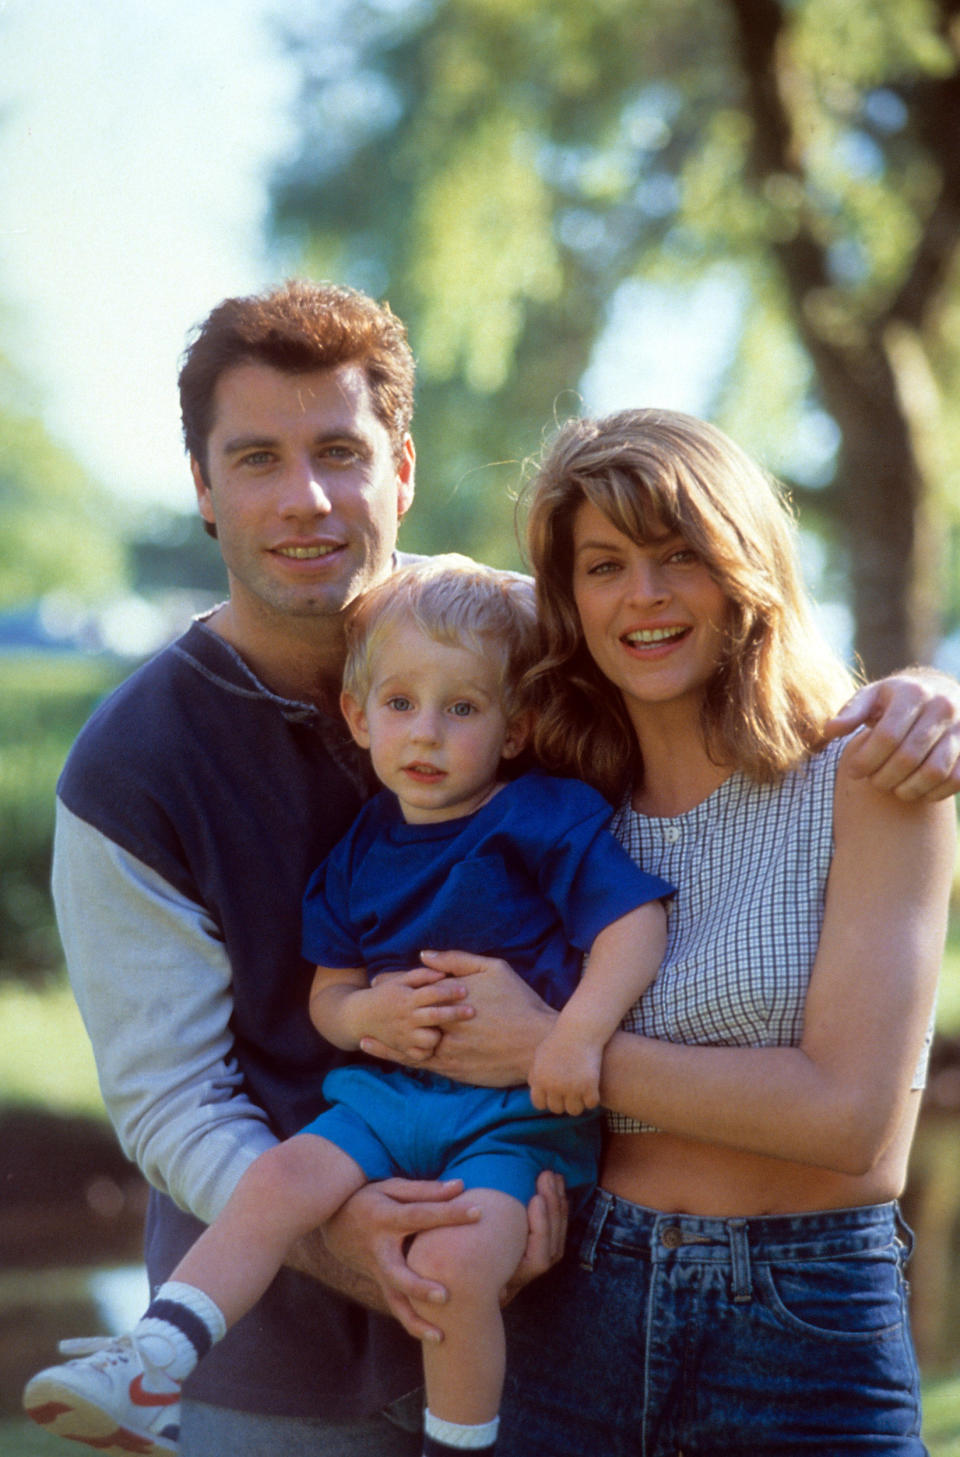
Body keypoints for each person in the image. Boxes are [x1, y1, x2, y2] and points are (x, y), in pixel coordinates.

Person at [28, 276, 960, 1457]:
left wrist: (928, 693)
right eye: (256, 458)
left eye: (340, 451)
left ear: (401, 470)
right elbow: (171, 1095)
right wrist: (347, 1223)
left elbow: (730, 665)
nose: (306, 497)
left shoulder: (532, 661)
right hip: (304, 1354)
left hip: (587, 1292)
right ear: (204, 489)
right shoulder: (135, 764)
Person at [381, 410, 953, 1457]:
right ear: (571, 599)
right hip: (575, 1294)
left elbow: (849, 1117)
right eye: (604, 565)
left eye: (677, 554)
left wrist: (555, 1047)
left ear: (744, 564)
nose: (642, 595)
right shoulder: (549, 798)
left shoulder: (871, 776)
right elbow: (398, 619)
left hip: (806, 1318)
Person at [25, 555, 672, 1457]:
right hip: (389, 1098)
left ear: (515, 727)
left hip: (512, 1121)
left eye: (463, 708)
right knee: (279, 1181)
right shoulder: (365, 843)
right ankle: (154, 1356)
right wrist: (367, 1018)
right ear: (359, 717)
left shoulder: (541, 815)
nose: (427, 733)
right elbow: (328, 993)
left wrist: (576, 1035)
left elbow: (633, 922)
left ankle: (459, 1443)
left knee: (454, 1272)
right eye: (401, 704)